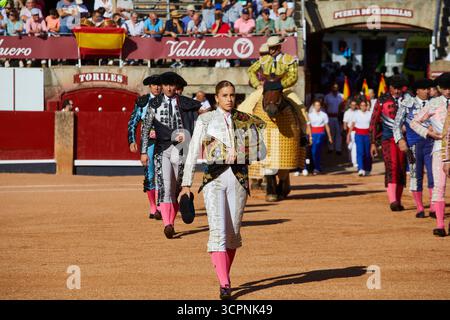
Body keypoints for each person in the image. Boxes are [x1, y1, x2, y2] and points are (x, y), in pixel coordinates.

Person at [180, 80, 266, 300]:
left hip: (238, 180)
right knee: (217, 232)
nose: (229, 99)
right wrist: (186, 183)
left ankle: (224, 274)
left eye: (232, 95)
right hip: (214, 180)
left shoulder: (244, 120)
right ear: (216, 98)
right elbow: (191, 151)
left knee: (233, 234)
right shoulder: (205, 119)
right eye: (225, 95)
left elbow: (262, 151)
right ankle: (224, 283)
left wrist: (242, 153)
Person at [140, 72, 201, 239]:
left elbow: (203, 111)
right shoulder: (153, 104)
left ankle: (186, 196)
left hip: (180, 148)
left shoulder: (185, 103)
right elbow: (145, 129)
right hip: (161, 149)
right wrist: (144, 151)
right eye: (165, 84)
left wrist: (190, 134)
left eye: (171, 85)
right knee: (166, 187)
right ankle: (169, 224)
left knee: (176, 188)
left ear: (176, 87)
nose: (168, 88)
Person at [410, 73, 450, 237]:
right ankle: (440, 225)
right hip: (439, 147)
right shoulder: (433, 104)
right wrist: (428, 133)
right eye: (445, 88)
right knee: (439, 187)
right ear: (439, 88)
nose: (448, 91)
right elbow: (414, 122)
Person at [393, 78, 435, 218]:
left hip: (432, 143)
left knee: (433, 174)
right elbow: (397, 124)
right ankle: (420, 207)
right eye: (424, 89)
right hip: (413, 144)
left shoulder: (434, 103)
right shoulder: (407, 104)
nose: (428, 91)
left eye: (429, 88)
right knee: (415, 175)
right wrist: (400, 140)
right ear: (417, 91)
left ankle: (434, 206)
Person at [369, 75, 407, 212]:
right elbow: (373, 122)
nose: (397, 91)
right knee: (392, 166)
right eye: (394, 88)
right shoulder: (382, 100)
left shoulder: (408, 99)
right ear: (389, 87)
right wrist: (373, 143)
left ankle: (398, 200)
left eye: (399, 89)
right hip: (388, 139)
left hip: (405, 140)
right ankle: (393, 201)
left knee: (401, 168)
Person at [129, 75, 162, 220]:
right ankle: (153, 207)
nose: (157, 87)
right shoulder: (142, 102)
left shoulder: (167, 101)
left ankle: (161, 206)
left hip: (164, 142)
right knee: (150, 175)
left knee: (163, 174)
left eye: (159, 85)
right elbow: (133, 122)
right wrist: (131, 140)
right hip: (147, 143)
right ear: (150, 86)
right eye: (154, 85)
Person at [308, 99, 333, 174]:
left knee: (318, 150)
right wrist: (310, 136)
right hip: (313, 134)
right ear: (313, 106)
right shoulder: (310, 115)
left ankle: (317, 167)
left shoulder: (324, 115)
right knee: (313, 151)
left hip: (321, 134)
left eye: (318, 105)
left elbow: (326, 126)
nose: (317, 107)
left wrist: (330, 137)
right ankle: (313, 167)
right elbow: (309, 126)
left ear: (320, 106)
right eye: (315, 105)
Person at [349, 100, 372, 176]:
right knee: (360, 151)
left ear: (366, 106)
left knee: (367, 153)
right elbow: (352, 125)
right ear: (359, 106)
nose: (363, 107)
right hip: (359, 135)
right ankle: (360, 169)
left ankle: (367, 168)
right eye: (361, 105)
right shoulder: (356, 114)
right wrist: (348, 135)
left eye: (364, 105)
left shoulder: (370, 114)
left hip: (367, 135)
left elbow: (373, 126)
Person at [324, 83, 344, 155]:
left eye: (336, 87)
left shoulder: (341, 96)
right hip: (330, 117)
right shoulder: (327, 96)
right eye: (334, 87)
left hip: (338, 117)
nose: (335, 89)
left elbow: (343, 107)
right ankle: (330, 148)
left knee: (339, 133)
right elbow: (325, 106)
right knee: (331, 133)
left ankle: (338, 149)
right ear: (331, 88)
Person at [343, 99, 358, 169]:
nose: (353, 106)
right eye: (352, 105)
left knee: (354, 147)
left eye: (355, 105)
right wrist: (345, 132)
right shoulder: (347, 112)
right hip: (349, 131)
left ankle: (354, 161)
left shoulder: (358, 112)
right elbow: (345, 122)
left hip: (357, 131)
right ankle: (351, 159)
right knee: (349, 146)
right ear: (350, 105)